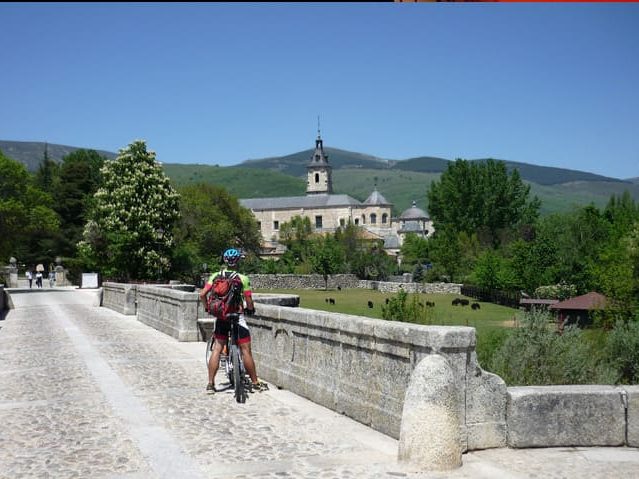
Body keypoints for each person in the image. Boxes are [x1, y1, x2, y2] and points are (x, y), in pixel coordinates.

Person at [199, 248, 267, 394]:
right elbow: (248, 299)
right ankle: (255, 383)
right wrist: (250, 309)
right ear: (238, 262)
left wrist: (208, 308)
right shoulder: (243, 278)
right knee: (246, 350)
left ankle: (211, 384)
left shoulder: (215, 276)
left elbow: (202, 294)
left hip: (222, 317)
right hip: (237, 316)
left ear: (225, 260)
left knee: (217, 349)